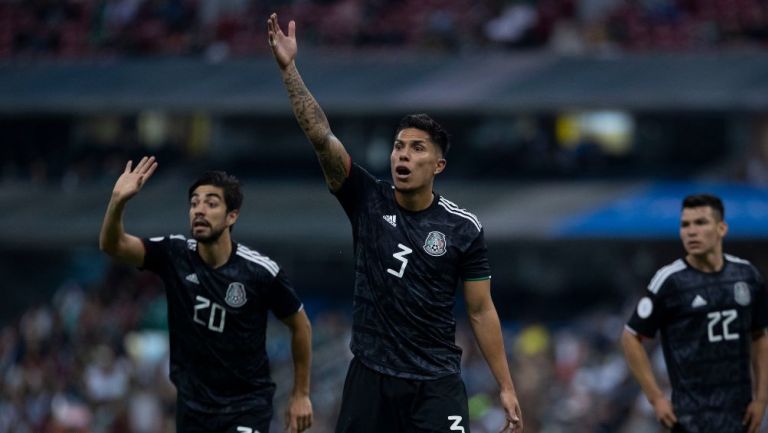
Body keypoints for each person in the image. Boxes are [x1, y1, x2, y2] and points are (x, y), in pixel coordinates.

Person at [267, 13, 523, 433]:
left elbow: (480, 310)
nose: (403, 155)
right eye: (399, 146)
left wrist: (506, 386)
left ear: (438, 164)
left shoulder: (464, 228)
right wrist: (289, 70)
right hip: (371, 376)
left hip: (436, 382)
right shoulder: (367, 198)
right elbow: (320, 135)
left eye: (417, 148)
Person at [98, 156, 313, 433]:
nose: (199, 210)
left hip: (246, 407)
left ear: (231, 215)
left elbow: (301, 326)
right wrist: (118, 201)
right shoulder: (174, 254)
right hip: (192, 411)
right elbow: (112, 245)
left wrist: (301, 394)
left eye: (211, 203)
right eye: (194, 203)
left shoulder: (261, 272)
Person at [622, 194, 768, 433]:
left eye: (700, 223)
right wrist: (656, 398)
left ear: (721, 229)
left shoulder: (747, 276)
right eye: (685, 225)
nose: (691, 231)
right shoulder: (669, 281)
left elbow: (759, 335)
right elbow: (630, 337)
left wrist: (761, 398)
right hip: (690, 419)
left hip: (740, 417)